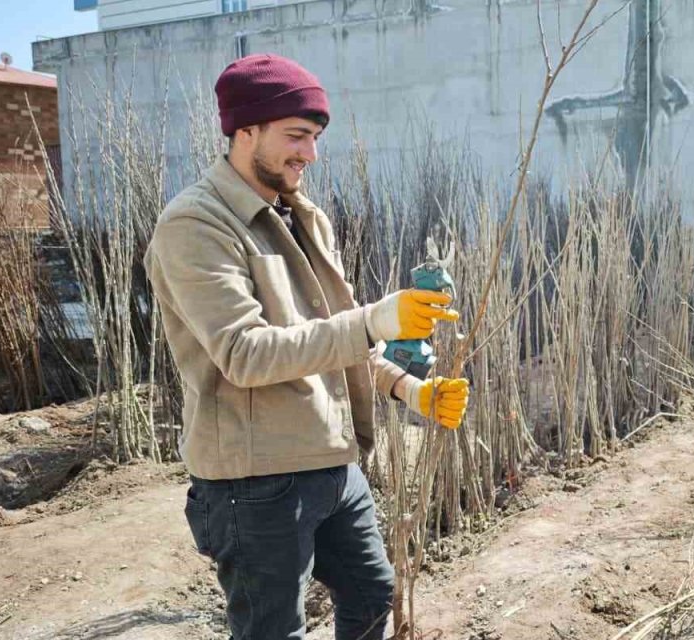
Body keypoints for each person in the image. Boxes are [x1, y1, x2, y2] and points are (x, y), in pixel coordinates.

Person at [144, 53, 471, 640]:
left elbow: (331, 337)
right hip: (256, 482)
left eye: (315, 137)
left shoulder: (304, 217)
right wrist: (374, 319)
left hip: (331, 457)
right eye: (296, 136)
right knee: (273, 631)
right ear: (245, 131)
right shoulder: (194, 225)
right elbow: (245, 353)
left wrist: (411, 390)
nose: (310, 153)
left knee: (373, 595)